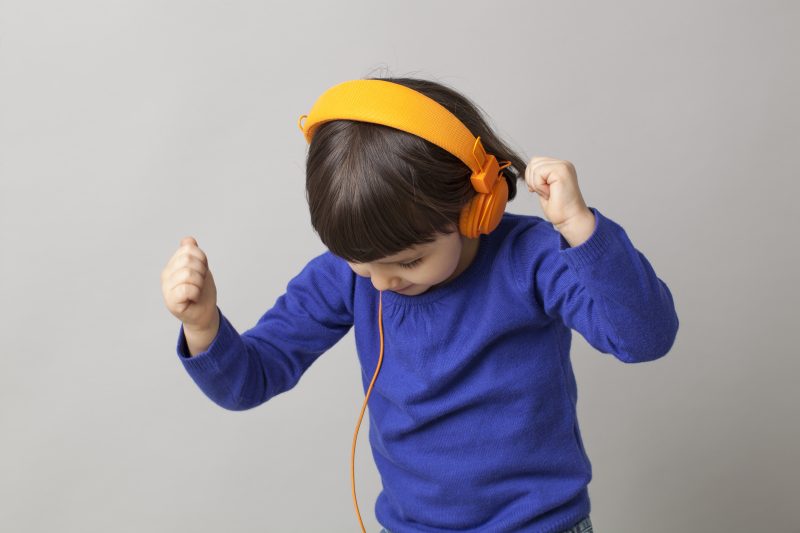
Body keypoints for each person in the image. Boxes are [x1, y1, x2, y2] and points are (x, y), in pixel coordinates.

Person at [160, 76, 679, 533]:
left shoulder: (535, 259)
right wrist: (204, 324)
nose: (382, 283)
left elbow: (644, 338)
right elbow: (252, 378)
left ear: (478, 208)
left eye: (408, 262)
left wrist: (580, 230)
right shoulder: (349, 275)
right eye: (364, 265)